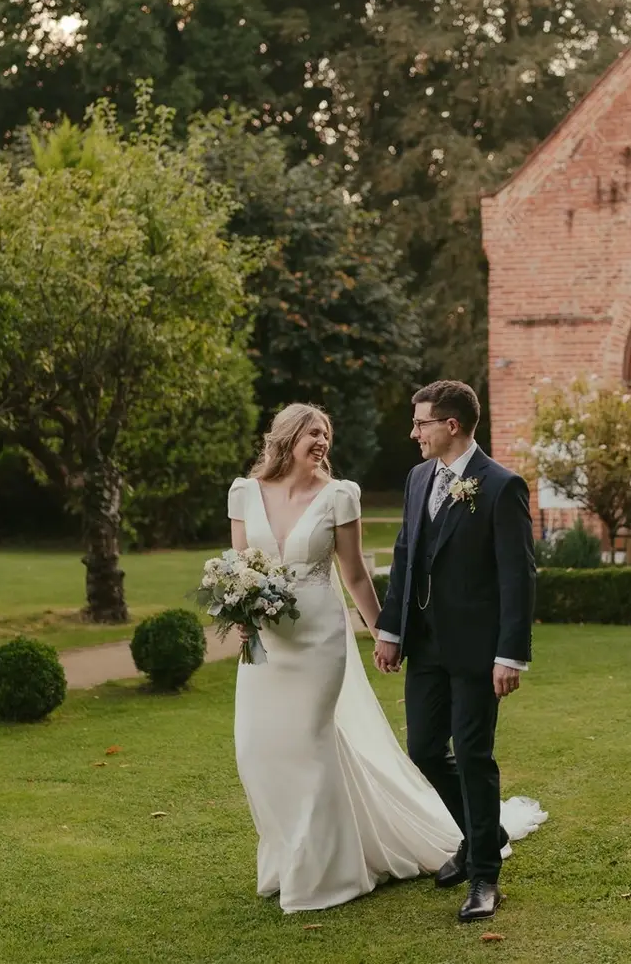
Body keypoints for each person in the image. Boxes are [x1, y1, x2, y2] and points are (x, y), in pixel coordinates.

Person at [228, 404, 458, 913]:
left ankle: (328, 873)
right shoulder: (244, 493)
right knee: (255, 749)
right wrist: (238, 610)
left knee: (310, 746)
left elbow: (354, 575)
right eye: (314, 432)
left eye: (327, 434)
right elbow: (238, 568)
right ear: (287, 436)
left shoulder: (339, 496)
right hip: (265, 646)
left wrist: (385, 633)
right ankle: (287, 856)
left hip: (319, 642)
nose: (323, 441)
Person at [374, 379, 542, 923]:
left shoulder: (500, 486)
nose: (413, 432)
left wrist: (510, 654)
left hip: (477, 651)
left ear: (451, 426)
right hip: (424, 646)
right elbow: (405, 554)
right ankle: (484, 834)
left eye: (421, 422)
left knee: (472, 755)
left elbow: (518, 578)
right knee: (424, 749)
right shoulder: (419, 478)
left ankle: (483, 877)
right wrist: (390, 629)